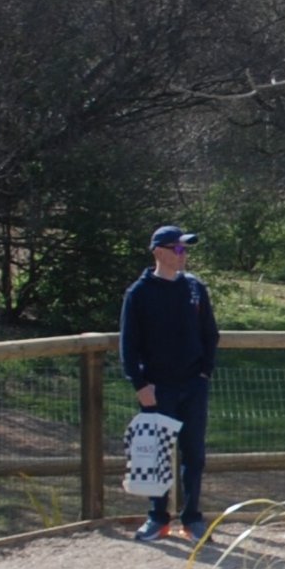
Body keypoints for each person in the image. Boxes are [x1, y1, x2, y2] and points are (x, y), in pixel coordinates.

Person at [117, 224, 217, 541]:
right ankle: (157, 518)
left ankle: (192, 518)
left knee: (194, 455)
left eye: (185, 249)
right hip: (157, 387)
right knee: (155, 453)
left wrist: (204, 374)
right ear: (159, 252)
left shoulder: (194, 288)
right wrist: (140, 384)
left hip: (193, 385)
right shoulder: (139, 293)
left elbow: (210, 334)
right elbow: (128, 344)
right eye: (178, 249)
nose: (183, 254)